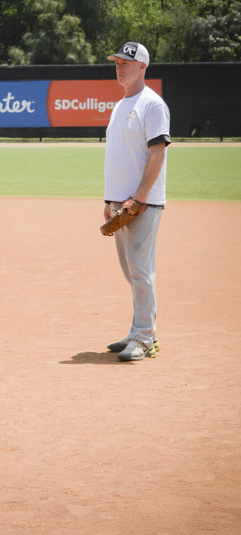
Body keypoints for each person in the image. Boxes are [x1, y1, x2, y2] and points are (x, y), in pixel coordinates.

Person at [103, 41, 171, 362]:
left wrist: (139, 198)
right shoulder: (120, 105)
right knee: (131, 272)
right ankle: (140, 331)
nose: (120, 67)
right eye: (117, 63)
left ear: (143, 66)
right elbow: (118, 155)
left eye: (126, 63)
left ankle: (144, 337)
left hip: (142, 203)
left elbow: (157, 152)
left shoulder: (152, 104)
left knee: (141, 271)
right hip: (121, 203)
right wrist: (110, 201)